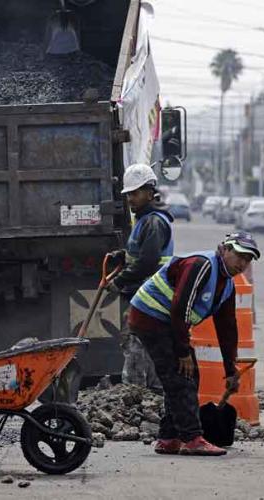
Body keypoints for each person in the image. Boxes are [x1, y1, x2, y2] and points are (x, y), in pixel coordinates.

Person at [128, 232, 260, 456]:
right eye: (239, 255)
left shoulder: (227, 285)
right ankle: (191, 438)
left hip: (168, 324)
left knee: (186, 376)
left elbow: (227, 328)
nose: (243, 263)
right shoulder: (202, 266)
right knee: (180, 377)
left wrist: (230, 370)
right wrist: (182, 352)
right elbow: (181, 308)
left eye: (248, 259)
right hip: (151, 317)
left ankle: (169, 437)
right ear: (224, 250)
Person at [106, 163, 174, 390]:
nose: (131, 199)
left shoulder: (154, 222)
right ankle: (154, 391)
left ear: (149, 192)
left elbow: (147, 261)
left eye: (135, 193)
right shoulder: (145, 220)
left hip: (150, 296)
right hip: (143, 294)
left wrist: (119, 281)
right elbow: (139, 253)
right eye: (128, 195)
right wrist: (122, 256)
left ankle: (132, 392)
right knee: (148, 344)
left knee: (134, 341)